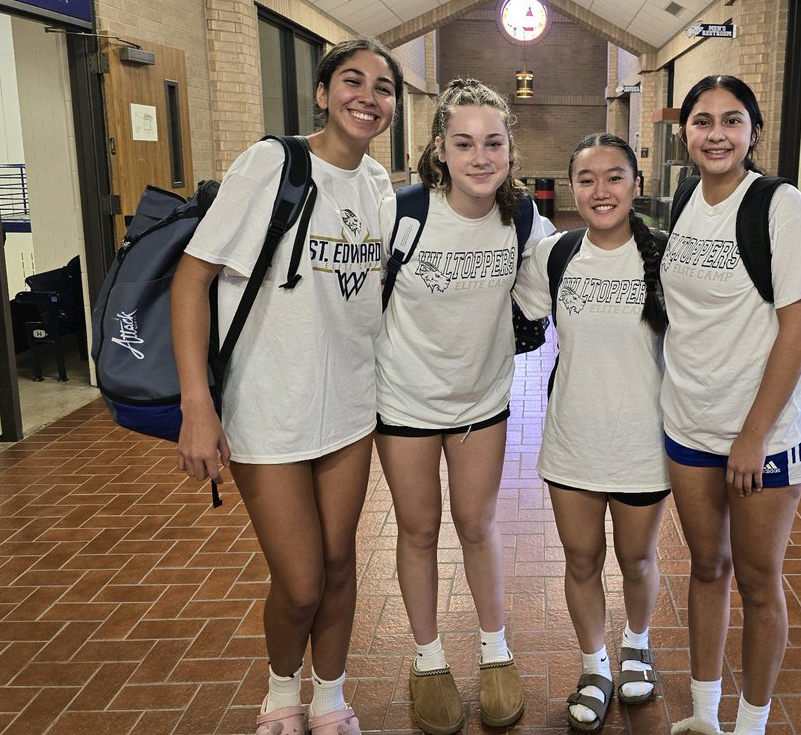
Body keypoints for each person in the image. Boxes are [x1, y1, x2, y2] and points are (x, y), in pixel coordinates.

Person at [172, 38, 401, 735]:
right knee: (299, 579)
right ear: (325, 93)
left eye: (384, 87)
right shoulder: (273, 163)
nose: (369, 96)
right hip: (269, 406)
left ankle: (329, 697)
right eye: (353, 81)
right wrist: (197, 405)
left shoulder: (377, 185)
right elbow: (192, 278)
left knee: (338, 562)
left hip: (351, 406)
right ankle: (279, 694)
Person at [660, 75, 801, 735]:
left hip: (763, 435)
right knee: (707, 569)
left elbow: (800, 328)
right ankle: (704, 717)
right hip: (690, 423)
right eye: (703, 121)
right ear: (685, 134)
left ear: (754, 133)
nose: (717, 134)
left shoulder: (780, 206)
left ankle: (751, 725)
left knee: (759, 584)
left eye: (733, 121)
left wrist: (753, 435)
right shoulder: (684, 199)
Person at [374, 78, 546, 735]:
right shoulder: (405, 213)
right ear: (440, 149)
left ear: (510, 150)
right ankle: (427, 660)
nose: (481, 157)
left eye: (493, 143)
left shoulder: (522, 218)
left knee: (477, 526)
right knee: (418, 530)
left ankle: (496, 653)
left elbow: (543, 296)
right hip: (404, 402)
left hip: (481, 402)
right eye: (464, 143)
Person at [512, 133, 669, 732]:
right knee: (581, 558)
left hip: (644, 440)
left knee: (636, 557)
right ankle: (595, 664)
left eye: (614, 177)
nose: (600, 191)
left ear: (635, 184)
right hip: (574, 436)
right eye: (587, 179)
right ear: (571, 188)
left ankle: (636, 644)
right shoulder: (554, 255)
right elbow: (507, 317)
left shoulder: (667, 254)